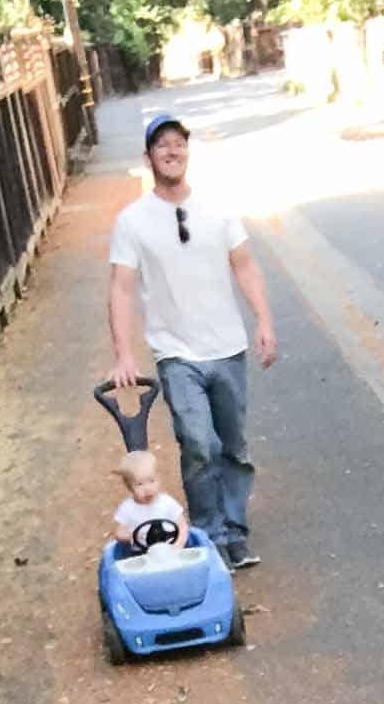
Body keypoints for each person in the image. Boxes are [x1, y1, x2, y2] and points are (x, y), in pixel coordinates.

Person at [108, 110, 276, 573]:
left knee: (234, 447)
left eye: (178, 142)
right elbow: (121, 286)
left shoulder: (217, 210)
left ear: (187, 151)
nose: (171, 150)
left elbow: (245, 265)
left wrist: (263, 321)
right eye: (161, 144)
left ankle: (235, 532)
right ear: (148, 158)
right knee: (198, 442)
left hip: (227, 347)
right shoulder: (132, 221)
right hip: (176, 353)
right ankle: (209, 533)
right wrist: (124, 352)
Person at [111, 447, 186, 551]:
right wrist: (130, 536)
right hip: (142, 555)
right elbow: (119, 533)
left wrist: (178, 546)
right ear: (129, 487)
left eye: (151, 481)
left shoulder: (167, 502)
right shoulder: (127, 508)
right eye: (139, 484)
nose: (147, 489)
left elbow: (182, 526)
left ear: (159, 479)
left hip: (171, 550)